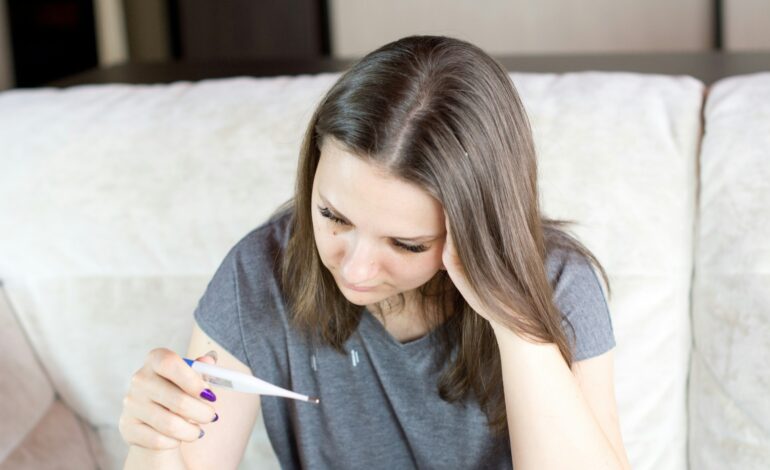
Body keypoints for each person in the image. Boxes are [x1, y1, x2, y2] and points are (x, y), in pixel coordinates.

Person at [120, 35, 631, 469]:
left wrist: (515, 324)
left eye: (407, 244)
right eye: (333, 217)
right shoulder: (259, 274)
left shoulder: (560, 283)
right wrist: (153, 440)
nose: (356, 268)